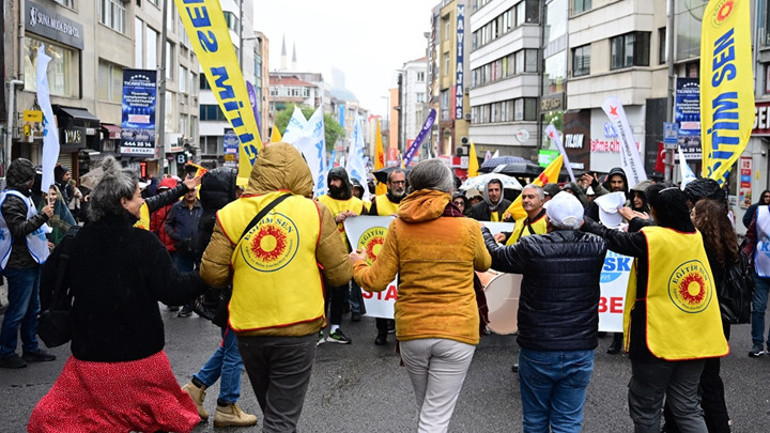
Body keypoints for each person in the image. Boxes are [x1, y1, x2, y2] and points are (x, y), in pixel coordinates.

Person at [28, 156, 205, 432]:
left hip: (90, 359)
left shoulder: (76, 241)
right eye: (137, 196)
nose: (142, 201)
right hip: (142, 360)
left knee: (63, 419)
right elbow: (173, 292)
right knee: (154, 417)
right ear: (123, 202)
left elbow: (49, 282)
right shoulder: (144, 243)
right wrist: (205, 275)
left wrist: (71, 310)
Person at [200, 143, 352, 432]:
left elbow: (212, 274)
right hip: (298, 325)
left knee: (275, 411)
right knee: (280, 418)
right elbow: (340, 275)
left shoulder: (230, 213)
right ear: (300, 173)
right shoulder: (315, 211)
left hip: (249, 327)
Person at [350, 159, 491, 433]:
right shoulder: (469, 227)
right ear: (448, 189)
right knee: (434, 418)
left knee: (427, 410)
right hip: (457, 330)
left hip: (413, 330)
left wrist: (357, 263)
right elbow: (484, 263)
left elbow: (375, 281)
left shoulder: (399, 226)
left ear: (413, 187)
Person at [582, 184, 729, 432]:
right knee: (688, 408)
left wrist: (584, 222)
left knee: (646, 409)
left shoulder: (652, 239)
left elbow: (614, 239)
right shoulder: (694, 236)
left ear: (657, 212)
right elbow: (656, 231)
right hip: (695, 341)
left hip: (658, 339)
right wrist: (637, 220)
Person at [482, 192, 607, 433]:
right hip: (580, 346)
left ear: (548, 220)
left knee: (535, 420)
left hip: (538, 345)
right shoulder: (597, 246)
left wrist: (484, 232)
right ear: (581, 220)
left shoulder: (532, 246)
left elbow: (496, 257)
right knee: (568, 421)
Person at [181, 167, 258, 428]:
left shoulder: (211, 217)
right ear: (224, 192)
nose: (239, 192)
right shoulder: (221, 220)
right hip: (232, 295)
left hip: (227, 295)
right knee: (236, 350)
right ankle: (226, 405)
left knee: (230, 347)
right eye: (234, 188)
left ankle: (195, 388)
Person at [661, 198, 736, 433]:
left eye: (694, 214)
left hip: (699, 322)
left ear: (704, 219)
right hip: (718, 323)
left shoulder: (700, 249)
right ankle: (676, 423)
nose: (690, 218)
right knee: (703, 378)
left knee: (695, 380)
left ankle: (713, 425)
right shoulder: (726, 246)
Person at [0, 159, 55, 369]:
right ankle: (6, 352)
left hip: (31, 259)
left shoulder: (22, 196)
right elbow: (18, 229)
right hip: (19, 263)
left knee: (33, 308)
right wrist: (43, 216)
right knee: (17, 311)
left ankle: (30, 348)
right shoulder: (11, 200)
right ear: (26, 179)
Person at [316, 166, 365, 344]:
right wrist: (334, 220)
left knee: (340, 294)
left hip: (346, 257)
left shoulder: (358, 204)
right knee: (322, 295)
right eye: (331, 180)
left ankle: (335, 329)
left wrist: (357, 219)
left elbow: (368, 226)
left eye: (336, 180)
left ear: (344, 181)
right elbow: (314, 224)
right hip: (325, 256)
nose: (332, 183)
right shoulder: (321, 201)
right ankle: (318, 331)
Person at [368, 168, 407, 345]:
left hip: (405, 257)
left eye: (402, 182)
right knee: (382, 293)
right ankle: (381, 331)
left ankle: (401, 331)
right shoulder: (377, 203)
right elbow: (367, 225)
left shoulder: (410, 202)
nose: (400, 186)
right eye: (396, 182)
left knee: (403, 296)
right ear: (388, 185)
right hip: (383, 256)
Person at [165, 184, 203, 318]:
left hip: (199, 248)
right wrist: (175, 236)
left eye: (192, 191)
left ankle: (201, 305)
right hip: (183, 248)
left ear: (196, 191)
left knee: (201, 278)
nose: (189, 194)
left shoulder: (203, 206)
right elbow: (168, 224)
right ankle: (188, 306)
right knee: (185, 278)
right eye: (187, 191)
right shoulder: (177, 207)